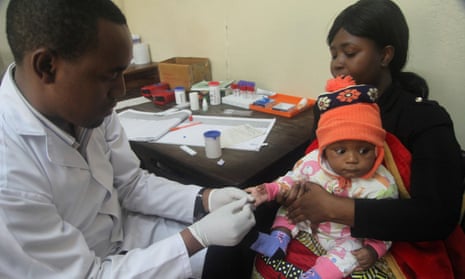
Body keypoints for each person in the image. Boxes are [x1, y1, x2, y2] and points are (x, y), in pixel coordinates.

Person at [0, 0, 256, 278]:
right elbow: (87, 275)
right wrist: (197, 237)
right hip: (87, 269)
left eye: (123, 72)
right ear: (47, 66)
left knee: (234, 253)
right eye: (110, 75)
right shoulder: (9, 175)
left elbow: (131, 184)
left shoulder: (88, 110)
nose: (120, 90)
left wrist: (206, 198)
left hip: (126, 234)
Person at [253, 0, 464, 278]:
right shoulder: (329, 108)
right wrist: (295, 189)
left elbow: (437, 216)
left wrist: (335, 207)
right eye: (334, 54)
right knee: (262, 258)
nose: (338, 64)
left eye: (350, 53)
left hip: (387, 242)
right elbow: (316, 164)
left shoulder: (424, 120)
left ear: (385, 55)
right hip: (320, 227)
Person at [247, 76, 399, 279]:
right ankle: (279, 238)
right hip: (306, 220)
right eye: (341, 150)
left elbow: (386, 225)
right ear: (325, 149)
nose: (352, 159)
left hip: (346, 236)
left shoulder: (382, 185)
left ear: (378, 150)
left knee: (350, 255)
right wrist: (269, 190)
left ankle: (318, 275)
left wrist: (373, 250)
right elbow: (291, 180)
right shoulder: (312, 163)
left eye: (364, 151)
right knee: (289, 206)